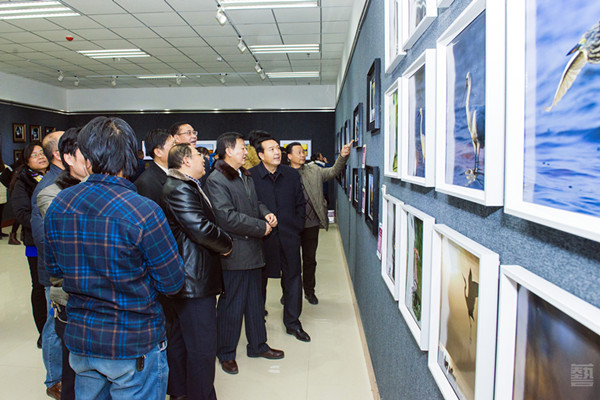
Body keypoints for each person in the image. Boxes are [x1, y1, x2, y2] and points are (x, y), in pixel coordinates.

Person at [44, 116, 185, 400]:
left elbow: (54, 269)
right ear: (131, 156)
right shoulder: (144, 210)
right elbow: (172, 282)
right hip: (134, 341)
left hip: (83, 340)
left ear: (87, 157)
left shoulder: (61, 203)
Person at [205, 132, 284, 375]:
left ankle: (258, 345)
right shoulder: (217, 179)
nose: (245, 152)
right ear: (228, 150)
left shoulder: (244, 174)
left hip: (253, 250)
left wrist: (266, 213)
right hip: (235, 253)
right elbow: (226, 217)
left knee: (255, 302)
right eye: (241, 147)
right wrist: (261, 227)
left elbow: (255, 203)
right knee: (232, 306)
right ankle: (226, 353)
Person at [163, 143, 233, 400]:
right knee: (202, 349)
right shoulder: (179, 188)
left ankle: (181, 392)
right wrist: (227, 244)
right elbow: (200, 228)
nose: (204, 159)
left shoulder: (185, 185)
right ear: (185, 161)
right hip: (193, 280)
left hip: (189, 278)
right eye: (198, 155)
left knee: (182, 342)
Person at [38, 128, 90, 400]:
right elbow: (69, 243)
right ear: (68, 157)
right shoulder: (50, 194)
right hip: (71, 295)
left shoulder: (100, 187)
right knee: (73, 373)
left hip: (101, 299)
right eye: (86, 153)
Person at [248, 135, 310, 342]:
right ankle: (258, 322)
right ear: (260, 155)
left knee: (293, 279)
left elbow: (300, 203)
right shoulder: (250, 176)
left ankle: (293, 323)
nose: (277, 152)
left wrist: (297, 227)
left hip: (289, 236)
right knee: (259, 282)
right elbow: (249, 206)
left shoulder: (291, 174)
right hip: (262, 239)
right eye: (271, 149)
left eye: (277, 148)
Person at [287, 140, 352, 305]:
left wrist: (342, 157)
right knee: (290, 262)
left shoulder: (314, 170)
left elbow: (333, 171)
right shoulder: (283, 175)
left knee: (310, 260)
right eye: (298, 152)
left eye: (303, 152)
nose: (302, 155)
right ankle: (289, 292)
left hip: (311, 224)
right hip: (291, 226)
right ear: (289, 156)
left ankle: (309, 291)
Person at [30, 130, 65, 400]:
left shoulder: (64, 180)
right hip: (56, 274)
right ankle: (54, 380)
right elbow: (44, 239)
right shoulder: (48, 187)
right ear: (60, 154)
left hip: (66, 272)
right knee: (54, 326)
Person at [10, 142, 48, 346]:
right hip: (35, 242)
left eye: (42, 152)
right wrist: (45, 225)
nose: (40, 156)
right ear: (26, 161)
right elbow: (22, 214)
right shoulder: (22, 181)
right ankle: (43, 331)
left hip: (54, 241)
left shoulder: (55, 177)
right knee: (39, 286)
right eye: (34, 155)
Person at [135, 128, 175, 209]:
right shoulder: (146, 182)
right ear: (158, 152)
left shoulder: (174, 172)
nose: (177, 149)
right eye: (173, 145)